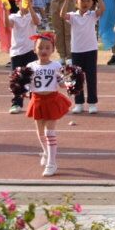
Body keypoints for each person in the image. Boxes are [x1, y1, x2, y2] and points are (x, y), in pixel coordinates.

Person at [22, 32, 72, 176]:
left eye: (47, 48)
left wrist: (71, 83)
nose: (44, 51)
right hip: (37, 100)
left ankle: (52, 163)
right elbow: (26, 84)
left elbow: (61, 83)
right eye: (40, 48)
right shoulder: (30, 66)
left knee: (49, 132)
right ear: (34, 49)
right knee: (40, 131)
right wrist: (22, 89)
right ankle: (45, 152)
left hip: (52, 100)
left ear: (53, 50)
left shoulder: (56, 65)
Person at [62, 0, 105, 114]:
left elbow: (102, 9)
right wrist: (66, 0)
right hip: (76, 51)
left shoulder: (92, 15)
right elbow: (62, 15)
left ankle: (92, 103)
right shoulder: (73, 16)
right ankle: (79, 103)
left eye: (88, 0)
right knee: (76, 78)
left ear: (91, 2)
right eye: (82, 0)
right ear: (76, 3)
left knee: (91, 77)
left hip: (91, 50)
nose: (85, 3)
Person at [7, 0, 40, 113]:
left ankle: (35, 102)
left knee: (32, 78)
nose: (27, 3)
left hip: (31, 51)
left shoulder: (33, 15)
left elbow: (37, 22)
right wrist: (5, 11)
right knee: (17, 80)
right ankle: (17, 103)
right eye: (24, 1)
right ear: (17, 3)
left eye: (30, 0)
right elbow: (7, 24)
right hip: (16, 52)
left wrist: (30, 8)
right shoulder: (13, 17)